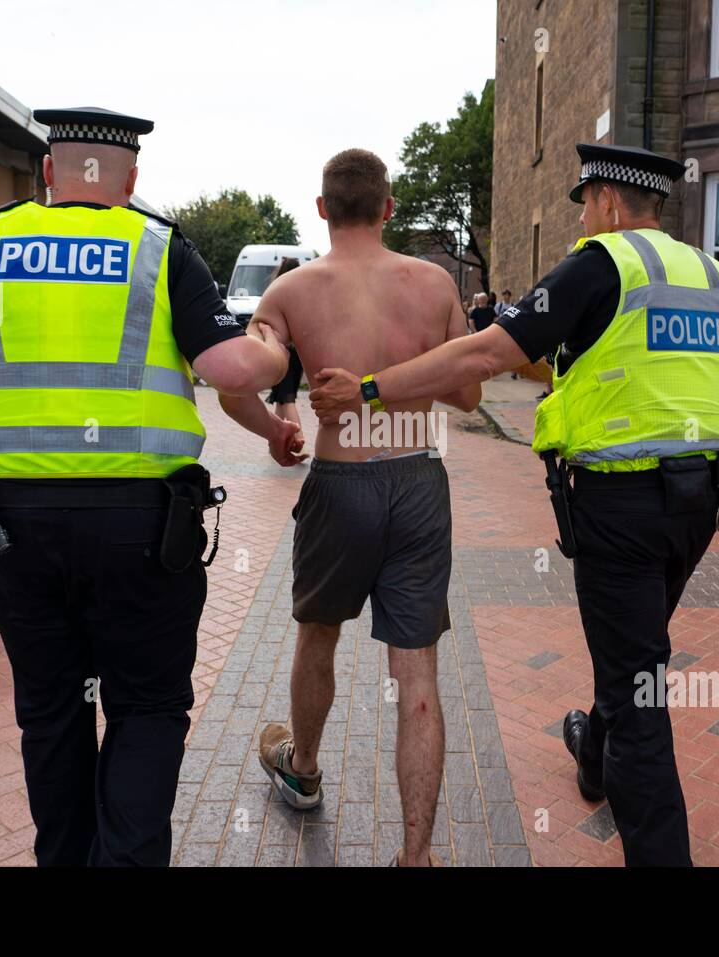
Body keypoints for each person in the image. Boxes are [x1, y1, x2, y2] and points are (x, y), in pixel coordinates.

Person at [0, 107, 290, 867]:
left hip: (13, 532)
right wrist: (270, 345)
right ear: (129, 181)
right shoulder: (159, 248)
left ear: (45, 175)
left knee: (52, 712)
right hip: (142, 534)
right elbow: (229, 369)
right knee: (147, 707)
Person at [310, 143, 719, 867]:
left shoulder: (600, 263)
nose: (580, 219)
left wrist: (373, 387)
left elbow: (484, 356)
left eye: (583, 204)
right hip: (701, 501)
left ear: (606, 199)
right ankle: (593, 754)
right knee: (635, 648)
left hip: (624, 505)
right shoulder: (710, 273)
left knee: (640, 692)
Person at [217, 148, 481, 867]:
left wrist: (277, 430)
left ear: (323, 209)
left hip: (340, 484)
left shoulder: (292, 291)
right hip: (420, 477)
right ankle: (417, 854)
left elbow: (236, 381)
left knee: (317, 635)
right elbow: (467, 392)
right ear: (389, 208)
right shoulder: (433, 282)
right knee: (417, 669)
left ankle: (302, 769)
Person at [263, 257, 306, 429]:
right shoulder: (304, 296)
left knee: (287, 400)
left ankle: (299, 439)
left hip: (281, 351)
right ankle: (276, 440)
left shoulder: (275, 293)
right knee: (282, 399)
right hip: (297, 353)